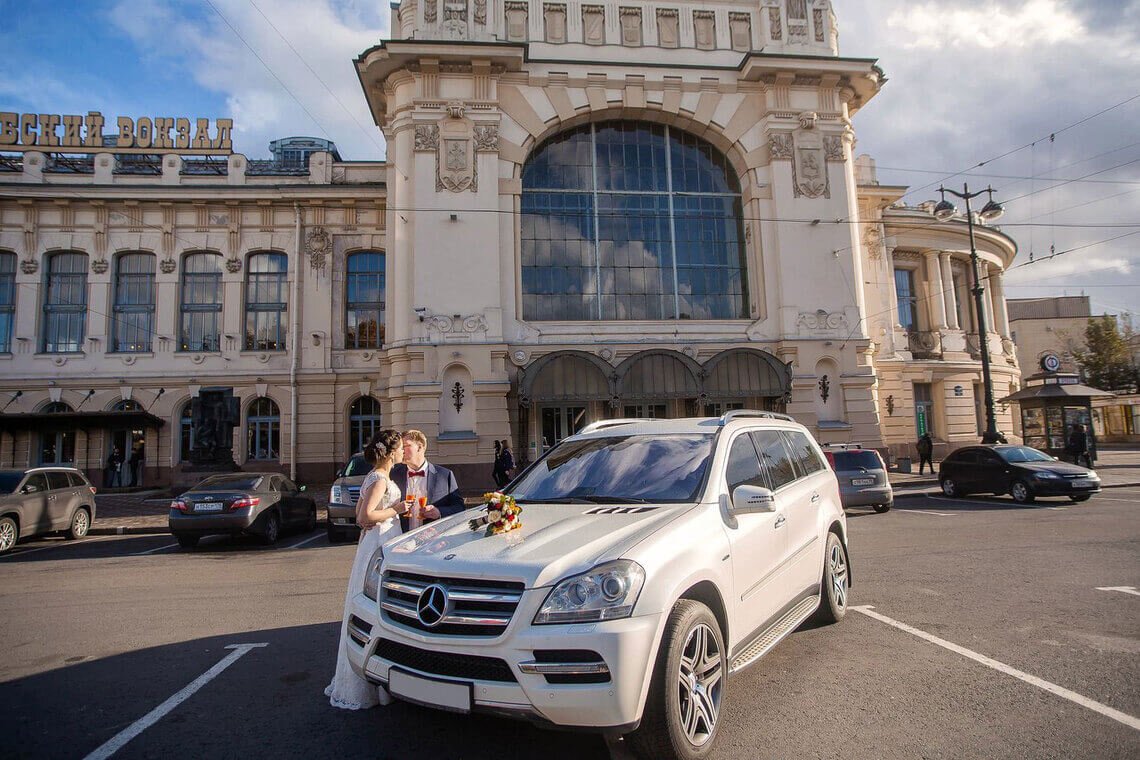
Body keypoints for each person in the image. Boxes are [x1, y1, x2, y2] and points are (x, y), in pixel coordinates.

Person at [326, 429, 409, 710]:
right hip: (379, 542)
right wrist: (396, 509)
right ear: (391, 453)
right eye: (399, 449)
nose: (402, 453)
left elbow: (360, 515)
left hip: (373, 539)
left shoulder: (373, 476)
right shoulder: (380, 479)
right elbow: (364, 515)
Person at [390, 429, 465, 532]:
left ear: (420, 447)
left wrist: (439, 512)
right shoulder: (393, 475)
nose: (402, 451)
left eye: (406, 446)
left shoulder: (444, 475)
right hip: (400, 539)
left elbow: (459, 508)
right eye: (401, 447)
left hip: (433, 541)